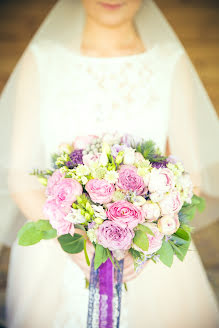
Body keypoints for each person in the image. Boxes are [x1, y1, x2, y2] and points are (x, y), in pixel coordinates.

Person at [0, 0, 219, 327]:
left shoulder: (170, 63)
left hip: (147, 248)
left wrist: (146, 241)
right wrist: (71, 238)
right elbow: (18, 175)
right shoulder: (40, 61)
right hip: (53, 251)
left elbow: (192, 175)